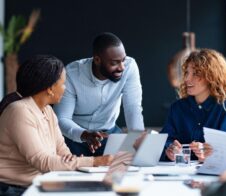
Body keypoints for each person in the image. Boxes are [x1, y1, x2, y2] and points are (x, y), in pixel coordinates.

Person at [0, 55, 113, 195]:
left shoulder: (47, 110)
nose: (65, 89)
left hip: (40, 183)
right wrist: (96, 161)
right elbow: (44, 162)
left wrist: (71, 160)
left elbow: (63, 151)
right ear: (50, 88)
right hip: (14, 189)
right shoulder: (19, 111)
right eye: (63, 83)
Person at [53, 32, 144, 156]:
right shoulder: (72, 74)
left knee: (121, 172)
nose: (122, 67)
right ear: (97, 60)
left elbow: (132, 107)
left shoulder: (130, 67)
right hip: (73, 137)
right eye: (114, 63)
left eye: (123, 60)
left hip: (109, 135)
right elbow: (62, 118)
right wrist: (84, 135)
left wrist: (137, 138)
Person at [160, 48, 226, 162]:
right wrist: (169, 150)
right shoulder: (177, 108)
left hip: (214, 177)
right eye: (187, 73)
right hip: (178, 174)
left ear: (211, 77)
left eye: (196, 74)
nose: (187, 79)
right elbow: (163, 143)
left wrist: (210, 153)